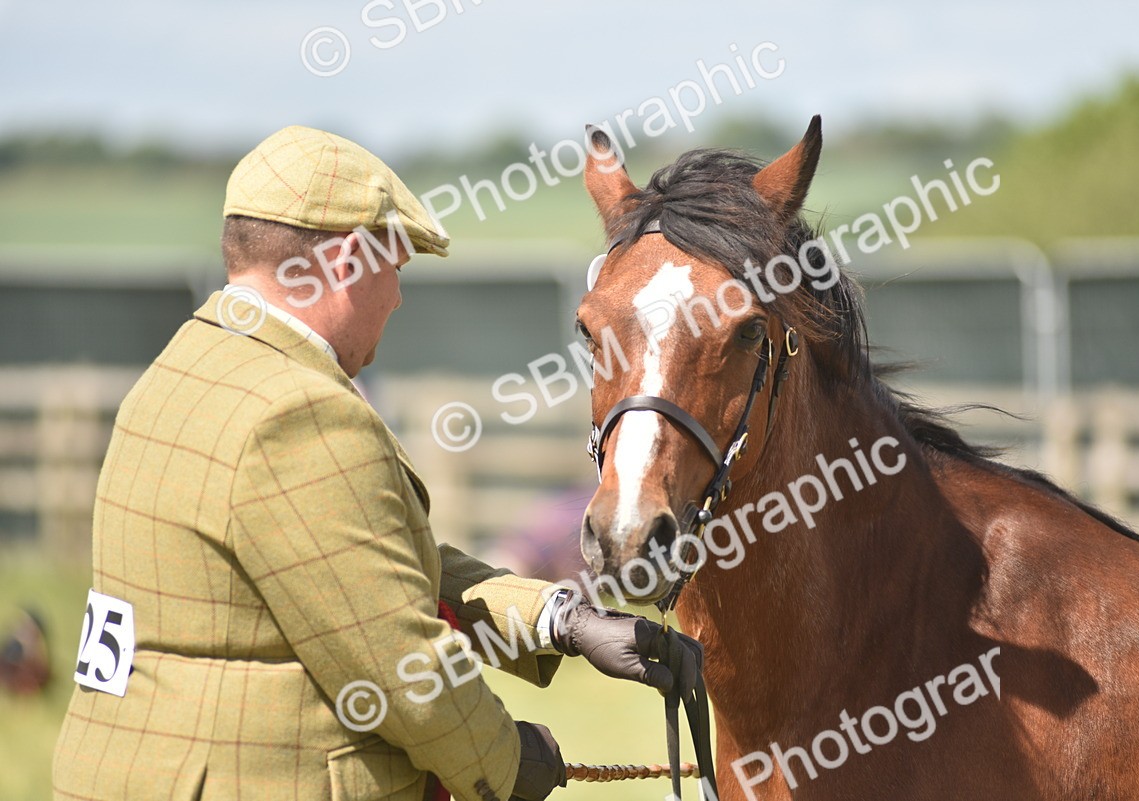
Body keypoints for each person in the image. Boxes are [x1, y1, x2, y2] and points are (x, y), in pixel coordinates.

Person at [51, 125, 699, 801]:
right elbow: (402, 666)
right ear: (350, 260)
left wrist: (558, 618)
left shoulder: (184, 367)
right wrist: (505, 760)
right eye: (397, 267)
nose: (396, 297)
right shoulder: (296, 413)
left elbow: (361, 565)